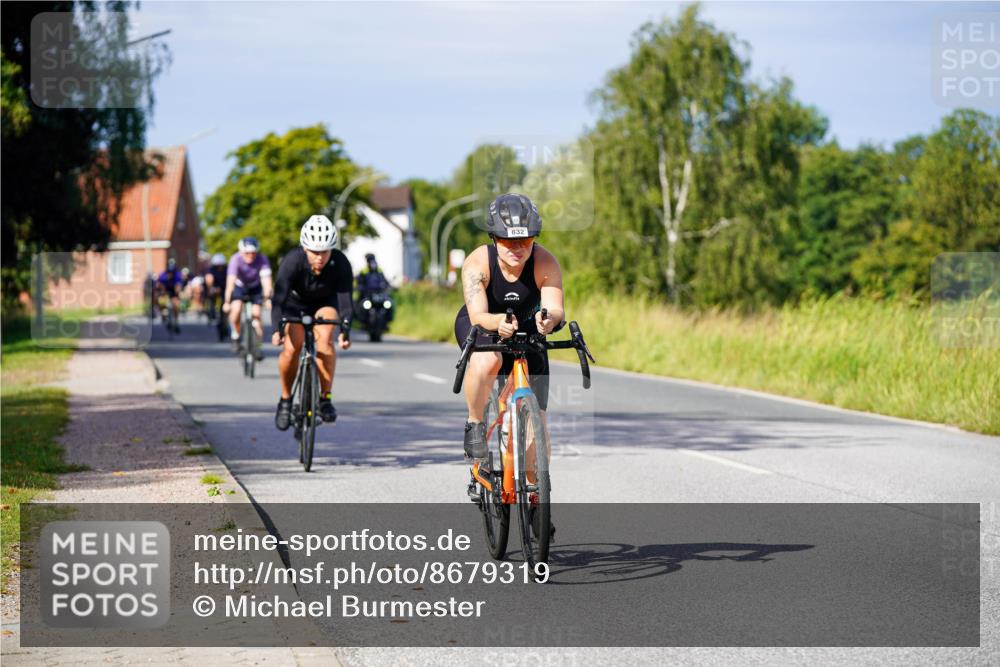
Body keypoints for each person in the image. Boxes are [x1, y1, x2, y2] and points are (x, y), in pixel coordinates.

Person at [453, 193, 564, 459]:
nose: (517, 248)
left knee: (537, 443)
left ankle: (534, 491)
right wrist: (498, 322)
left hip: (528, 329)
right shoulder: (478, 263)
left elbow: (556, 307)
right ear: (494, 238)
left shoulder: (545, 262)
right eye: (508, 241)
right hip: (482, 323)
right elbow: (478, 314)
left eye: (524, 240)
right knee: (487, 361)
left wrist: (548, 319)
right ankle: (475, 422)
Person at [271, 215, 353, 429]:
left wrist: (345, 330)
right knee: (291, 349)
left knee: (325, 341)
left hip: (325, 303)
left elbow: (345, 301)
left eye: (324, 251)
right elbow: (278, 298)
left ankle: (325, 398)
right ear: (304, 248)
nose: (320, 257)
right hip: (294, 305)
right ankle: (286, 400)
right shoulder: (292, 261)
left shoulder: (340, 263)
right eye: (314, 252)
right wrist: (277, 329)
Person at [223, 237, 273, 357]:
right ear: (241, 252)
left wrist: (268, 299)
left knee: (257, 314)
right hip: (239, 287)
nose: (250, 255)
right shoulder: (235, 259)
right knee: (236, 309)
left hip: (255, 287)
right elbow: (230, 282)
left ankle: (258, 346)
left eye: (253, 253)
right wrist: (227, 302)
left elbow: (267, 282)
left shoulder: (262, 260)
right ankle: (235, 335)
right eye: (247, 253)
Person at [156, 258, 184, 333]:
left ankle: (176, 322)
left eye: (172, 272)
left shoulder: (178, 275)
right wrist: (161, 291)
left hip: (174, 292)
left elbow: (179, 285)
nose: (170, 274)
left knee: (176, 305)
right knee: (160, 301)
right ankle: (163, 313)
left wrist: (178, 291)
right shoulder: (162, 275)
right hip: (164, 291)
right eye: (169, 272)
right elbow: (158, 284)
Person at [204, 253, 228, 323]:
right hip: (214, 287)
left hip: (224, 287)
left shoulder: (227, 269)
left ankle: (223, 317)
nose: (219, 267)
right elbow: (209, 278)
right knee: (212, 294)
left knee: (225, 300)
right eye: (218, 266)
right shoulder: (211, 270)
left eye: (221, 265)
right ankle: (212, 309)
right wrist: (211, 288)